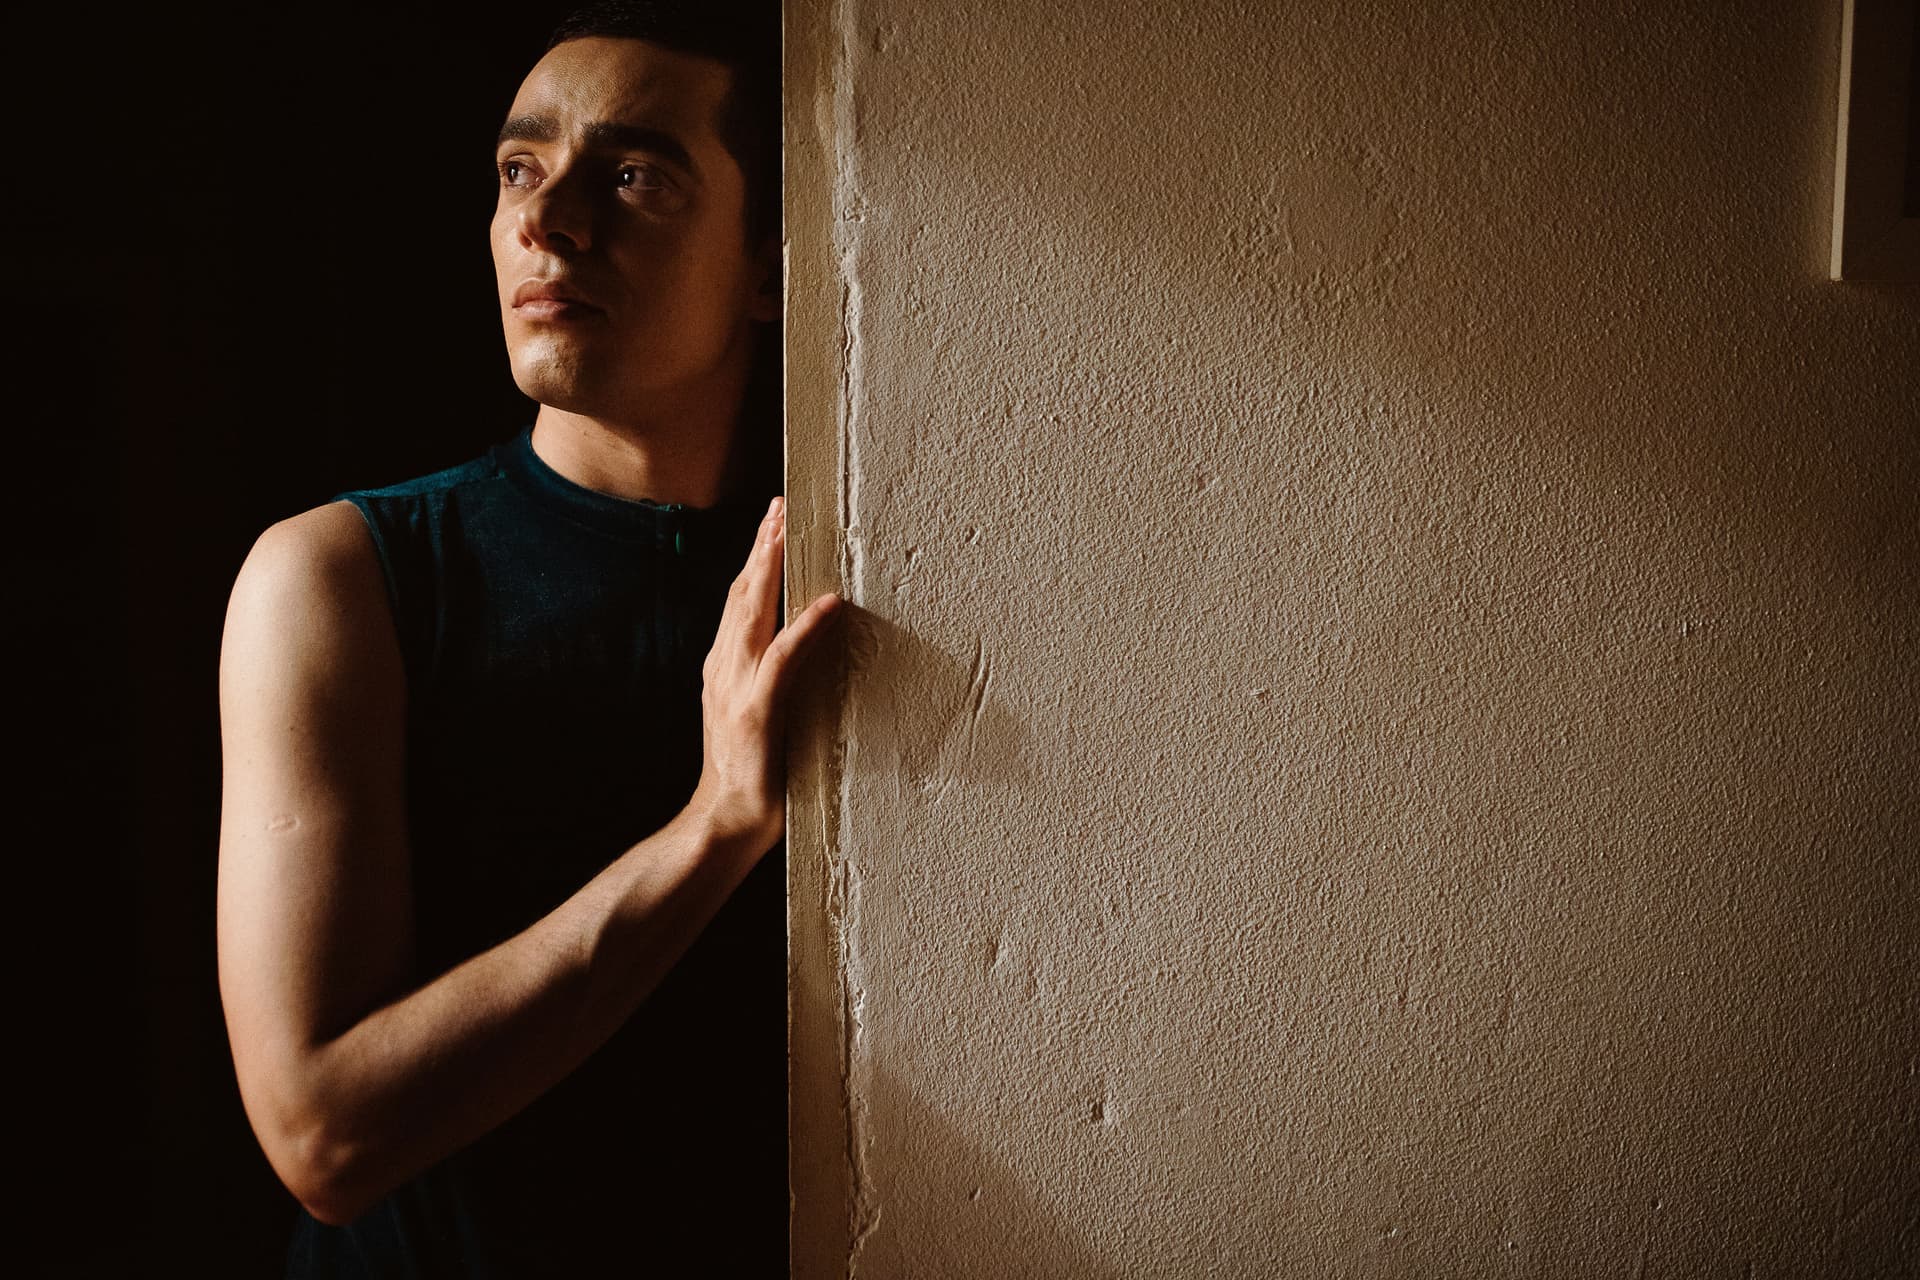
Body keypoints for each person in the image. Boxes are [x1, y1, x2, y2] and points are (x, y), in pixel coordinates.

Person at [214, 3, 841, 1274]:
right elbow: (321, 1134)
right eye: (518, 168)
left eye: (631, 174)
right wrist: (716, 826)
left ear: (774, 260)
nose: (543, 222)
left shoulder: (861, 580)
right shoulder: (342, 577)